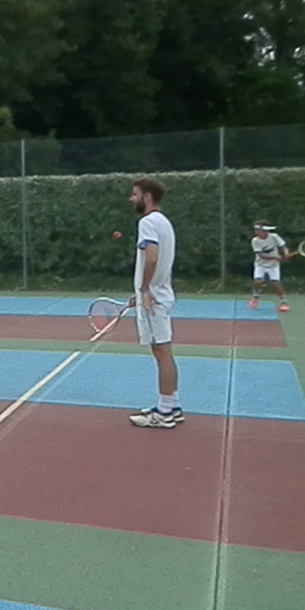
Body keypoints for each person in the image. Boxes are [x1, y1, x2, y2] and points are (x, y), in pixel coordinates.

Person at [126, 178, 182, 429]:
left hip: (155, 299)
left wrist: (145, 289)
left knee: (162, 353)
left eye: (135, 194)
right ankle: (172, 406)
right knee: (164, 353)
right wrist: (140, 293)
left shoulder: (147, 222)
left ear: (147, 196)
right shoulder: (164, 222)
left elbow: (152, 258)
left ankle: (164, 413)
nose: (131, 199)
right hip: (158, 295)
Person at [249, 223, 291, 313]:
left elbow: (284, 247)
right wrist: (276, 258)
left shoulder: (274, 237)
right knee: (258, 281)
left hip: (273, 266)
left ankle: (283, 302)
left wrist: (286, 254)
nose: (255, 232)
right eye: (255, 230)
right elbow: (261, 255)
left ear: (264, 231)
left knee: (275, 283)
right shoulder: (255, 240)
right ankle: (255, 298)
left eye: (258, 230)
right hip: (260, 265)